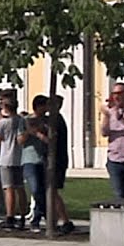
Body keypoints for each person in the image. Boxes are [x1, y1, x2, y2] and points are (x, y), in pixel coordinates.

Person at [0, 94, 27, 229]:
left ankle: (10, 216)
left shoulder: (3, 122)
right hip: (19, 157)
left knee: (8, 188)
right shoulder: (21, 120)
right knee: (20, 188)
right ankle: (23, 216)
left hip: (6, 157)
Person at [19, 96, 49, 232]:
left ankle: (37, 219)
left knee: (43, 191)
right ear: (38, 106)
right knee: (36, 189)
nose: (47, 109)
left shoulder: (48, 121)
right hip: (29, 159)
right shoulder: (26, 121)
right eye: (45, 106)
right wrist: (32, 132)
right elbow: (19, 140)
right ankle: (45, 215)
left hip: (44, 159)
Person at [46, 95, 73, 233]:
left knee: (53, 190)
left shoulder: (55, 120)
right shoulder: (57, 119)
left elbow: (52, 138)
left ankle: (63, 219)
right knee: (52, 190)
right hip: (58, 159)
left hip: (57, 160)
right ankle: (55, 219)